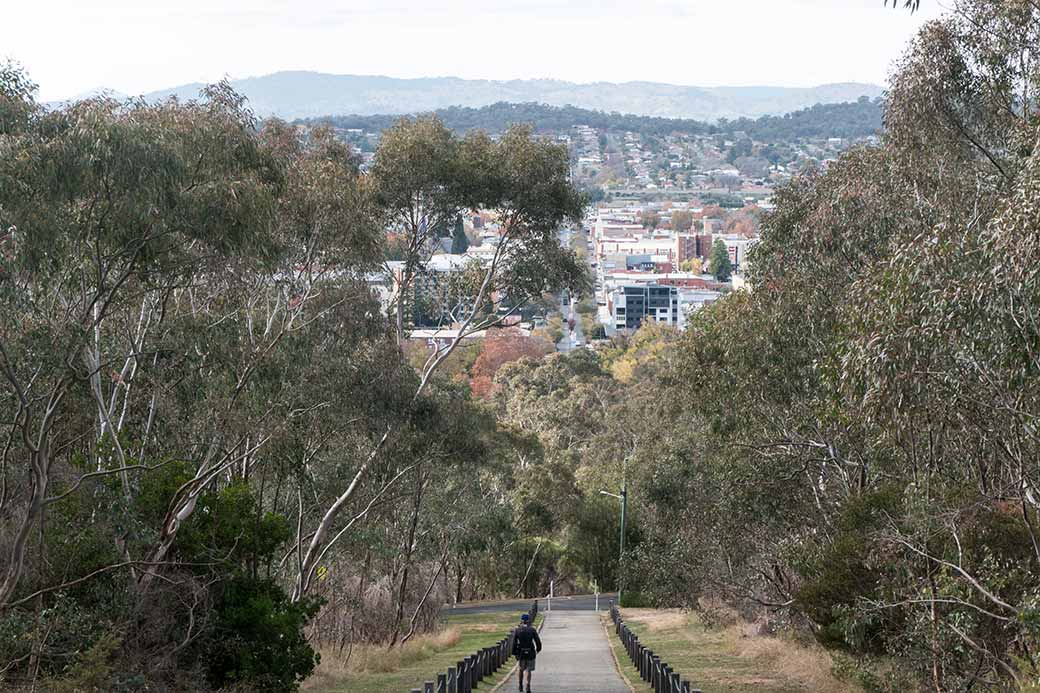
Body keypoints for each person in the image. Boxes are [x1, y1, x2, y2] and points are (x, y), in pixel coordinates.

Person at [512, 612, 541, 692]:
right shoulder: (532, 630)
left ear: (521, 621)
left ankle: (520, 685)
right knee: (528, 670)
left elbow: (514, 642)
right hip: (530, 652)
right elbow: (537, 641)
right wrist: (538, 649)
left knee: (521, 669)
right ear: (528, 621)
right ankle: (528, 685)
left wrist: (514, 652)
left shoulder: (517, 630)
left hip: (521, 652)